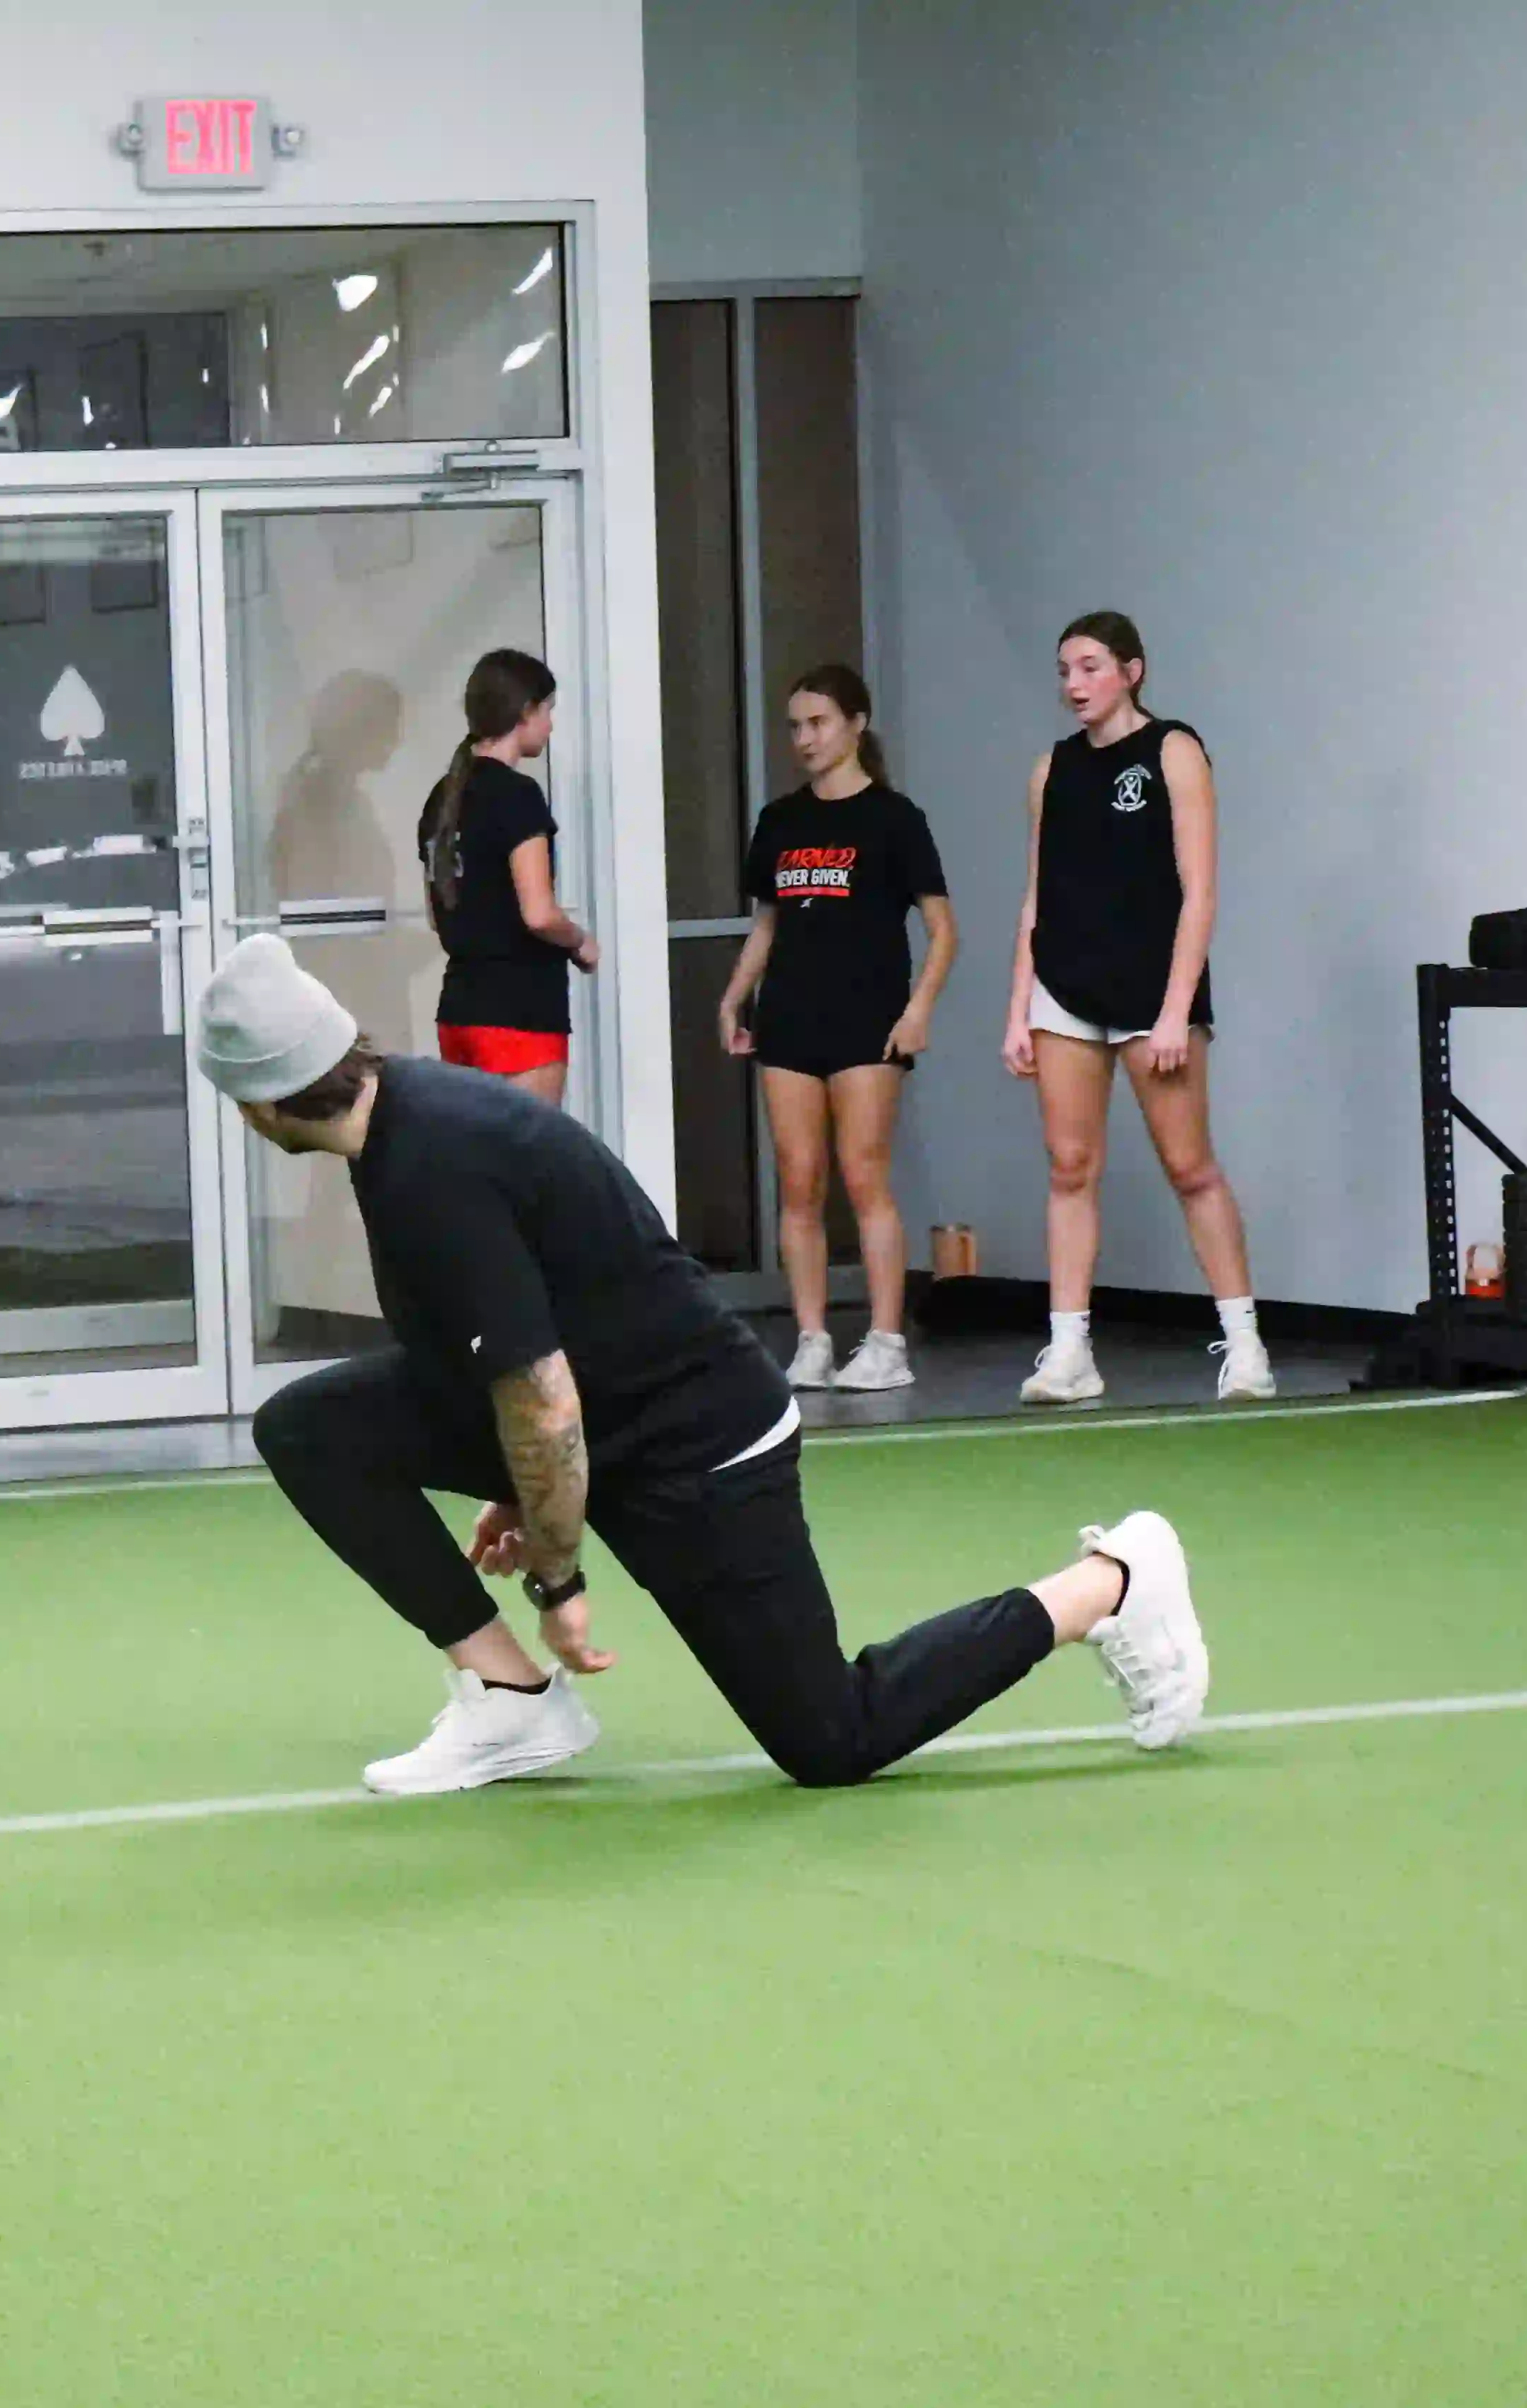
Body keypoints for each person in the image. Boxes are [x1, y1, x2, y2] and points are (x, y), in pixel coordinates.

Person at [195, 933, 1207, 1797]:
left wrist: (556, 1576)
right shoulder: (400, 1127)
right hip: (604, 1412)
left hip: (702, 1448)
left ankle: (1111, 1581)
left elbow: (543, 1404)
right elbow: (523, 1340)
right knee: (311, 1429)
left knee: (831, 1739)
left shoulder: (430, 1166)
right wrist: (517, 1486)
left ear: (260, 1104)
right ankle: (509, 1697)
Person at [1002, 611, 1268, 1406]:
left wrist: (1176, 1008)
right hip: (1065, 987)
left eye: (1090, 667)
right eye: (1065, 671)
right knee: (1069, 1166)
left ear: (1132, 671)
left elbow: (1199, 891)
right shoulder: (1052, 770)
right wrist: (1019, 1009)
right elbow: (1036, 898)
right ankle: (1069, 1352)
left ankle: (1246, 1345)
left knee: (1190, 1166)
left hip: (1154, 990)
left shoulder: (1173, 751)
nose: (1074, 684)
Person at [719, 666, 957, 1392]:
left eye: (819, 722)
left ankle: (886, 1342)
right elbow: (769, 923)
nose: (805, 738)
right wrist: (734, 999)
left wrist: (919, 1009)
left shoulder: (895, 819)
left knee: (864, 1175)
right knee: (798, 1181)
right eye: (795, 725)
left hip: (868, 1019)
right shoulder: (780, 821)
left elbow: (943, 931)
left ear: (856, 723)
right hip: (790, 1016)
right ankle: (813, 1339)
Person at [417, 647, 594, 1102]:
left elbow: (438, 916)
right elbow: (540, 915)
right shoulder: (517, 795)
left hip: (460, 1014)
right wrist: (580, 941)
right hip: (519, 1016)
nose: (550, 725)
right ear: (525, 712)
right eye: (548, 711)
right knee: (531, 1148)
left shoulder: (442, 797)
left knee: (476, 1146)